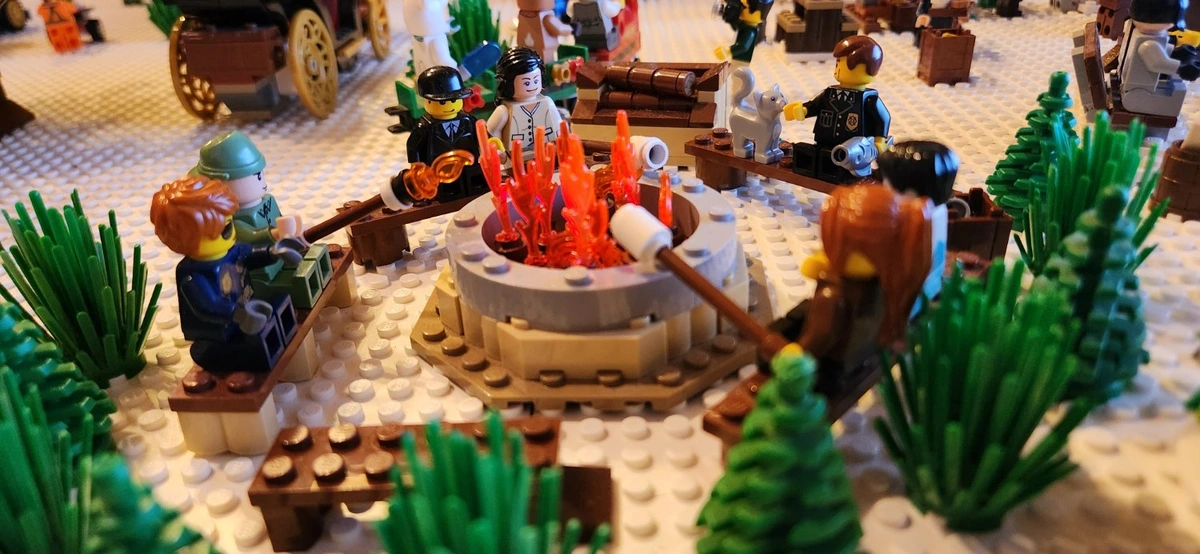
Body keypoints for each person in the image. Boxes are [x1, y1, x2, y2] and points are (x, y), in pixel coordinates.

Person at [150, 176, 303, 372]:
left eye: (230, 225)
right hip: (219, 333)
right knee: (251, 351)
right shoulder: (192, 275)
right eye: (226, 229)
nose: (231, 233)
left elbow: (250, 256)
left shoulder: (232, 251)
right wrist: (237, 313)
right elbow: (207, 306)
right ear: (186, 239)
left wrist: (273, 252)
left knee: (278, 305)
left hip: (246, 314)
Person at [794, 185, 933, 379]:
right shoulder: (894, 283)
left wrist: (781, 351)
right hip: (864, 356)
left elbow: (812, 345)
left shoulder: (832, 296)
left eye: (835, 243)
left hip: (830, 371)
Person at [784, 36, 891, 184]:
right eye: (837, 63)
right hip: (824, 141)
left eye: (843, 64)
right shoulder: (829, 93)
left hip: (852, 151)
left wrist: (880, 141)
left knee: (846, 172)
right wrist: (802, 110)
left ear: (866, 68)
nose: (838, 68)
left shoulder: (868, 99)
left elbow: (883, 118)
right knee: (818, 161)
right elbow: (815, 105)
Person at [401, 66, 490, 204]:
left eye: (454, 100)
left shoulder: (467, 120)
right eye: (442, 102)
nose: (449, 105)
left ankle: (477, 187)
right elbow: (414, 146)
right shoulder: (425, 126)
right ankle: (450, 194)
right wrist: (416, 165)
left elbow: (482, 135)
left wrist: (489, 147)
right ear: (426, 101)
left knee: (475, 179)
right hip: (439, 170)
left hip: (470, 164)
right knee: (447, 188)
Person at [1117, 0, 1200, 117]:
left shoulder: (1137, 31)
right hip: (1139, 91)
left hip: (1134, 85)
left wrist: (1176, 53)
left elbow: (1160, 51)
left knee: (1177, 86)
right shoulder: (1149, 44)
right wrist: (1182, 69)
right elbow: (1159, 63)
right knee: (1178, 92)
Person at [486, 47, 564, 164]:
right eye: (526, 83)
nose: (532, 85)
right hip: (514, 157)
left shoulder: (547, 102)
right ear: (509, 83)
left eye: (536, 81)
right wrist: (498, 151)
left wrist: (562, 141)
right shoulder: (504, 110)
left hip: (546, 153)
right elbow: (492, 132)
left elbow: (559, 126)